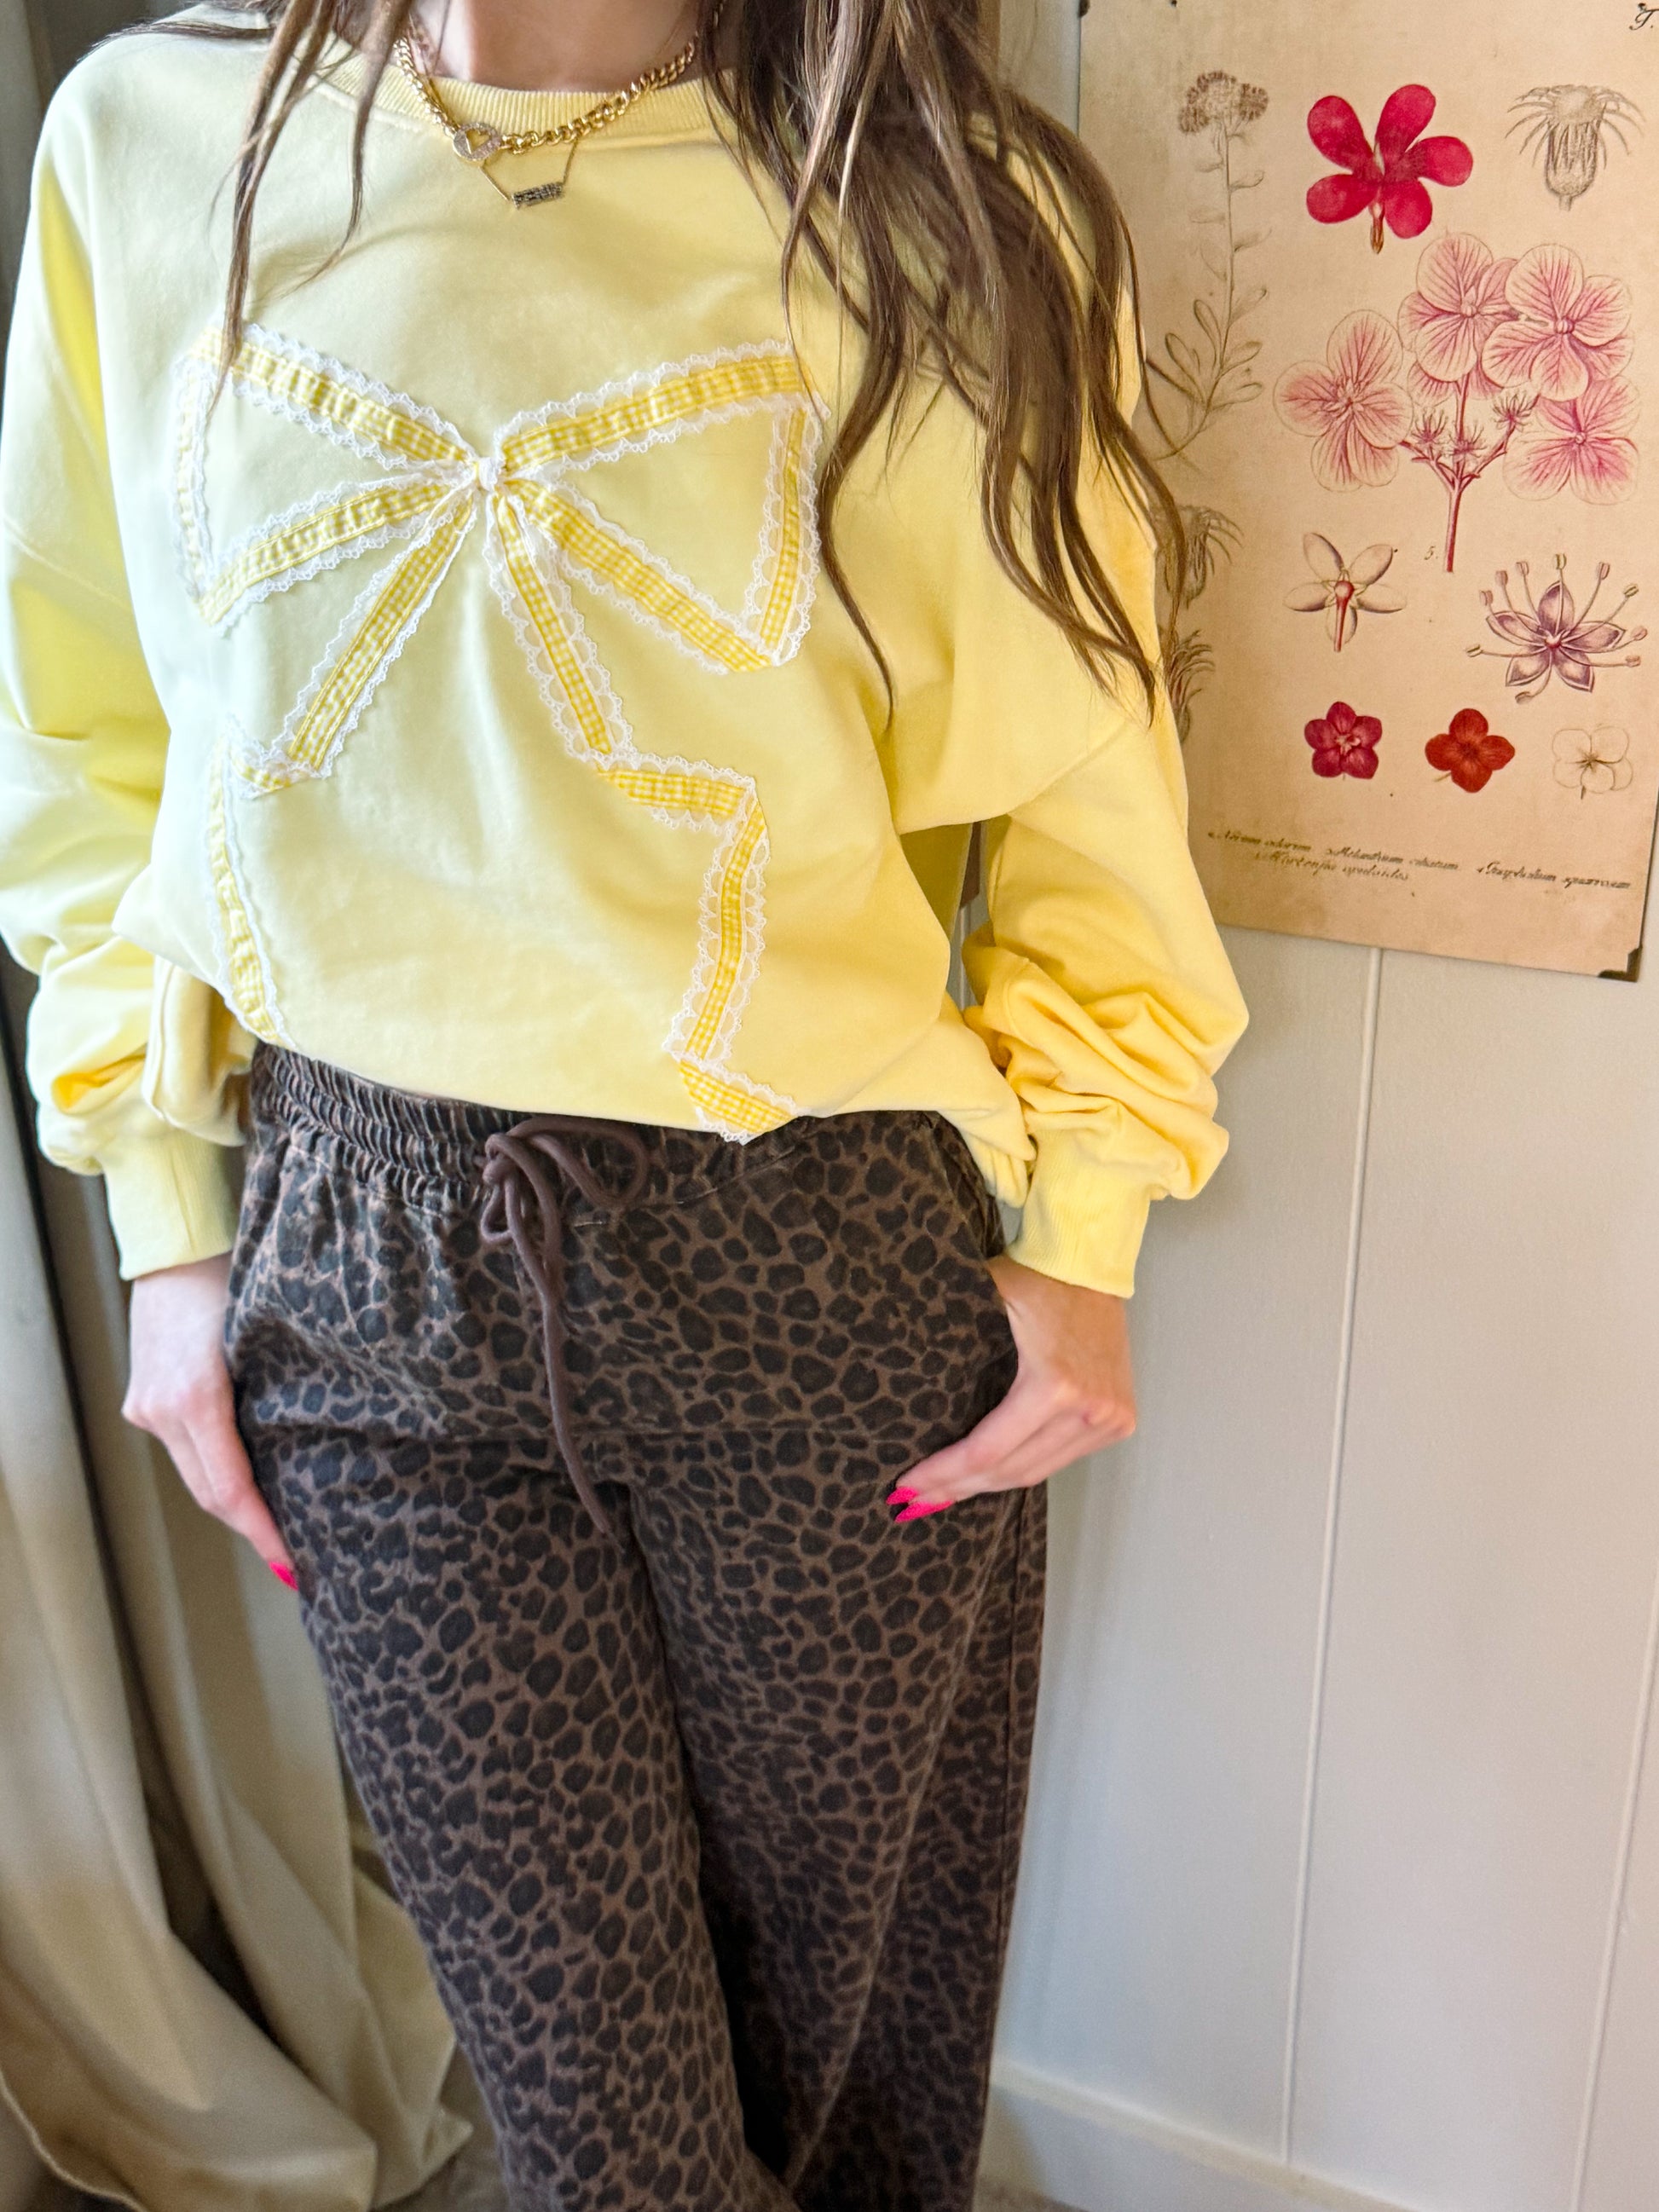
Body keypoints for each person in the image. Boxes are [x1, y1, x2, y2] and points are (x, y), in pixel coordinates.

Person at [0, 1, 1246, 2204]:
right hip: (366, 1262)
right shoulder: (150, 138)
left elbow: (1085, 792)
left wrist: (1084, 1238)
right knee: (613, 2152)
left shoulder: (949, 205)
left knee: (850, 2093)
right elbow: (86, 732)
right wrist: (168, 1227)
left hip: (821, 1261)